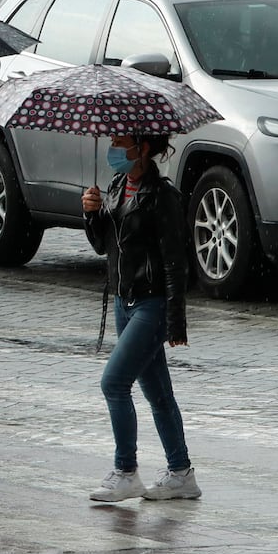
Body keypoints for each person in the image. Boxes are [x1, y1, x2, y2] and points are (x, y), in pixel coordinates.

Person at [81, 133, 201, 502]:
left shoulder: (162, 196)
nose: (114, 150)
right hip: (123, 300)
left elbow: (174, 264)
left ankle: (126, 470)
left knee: (114, 383)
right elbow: (105, 245)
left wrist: (175, 320)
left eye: (122, 143)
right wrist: (91, 214)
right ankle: (181, 472)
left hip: (151, 304)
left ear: (143, 148)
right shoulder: (118, 186)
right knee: (157, 391)